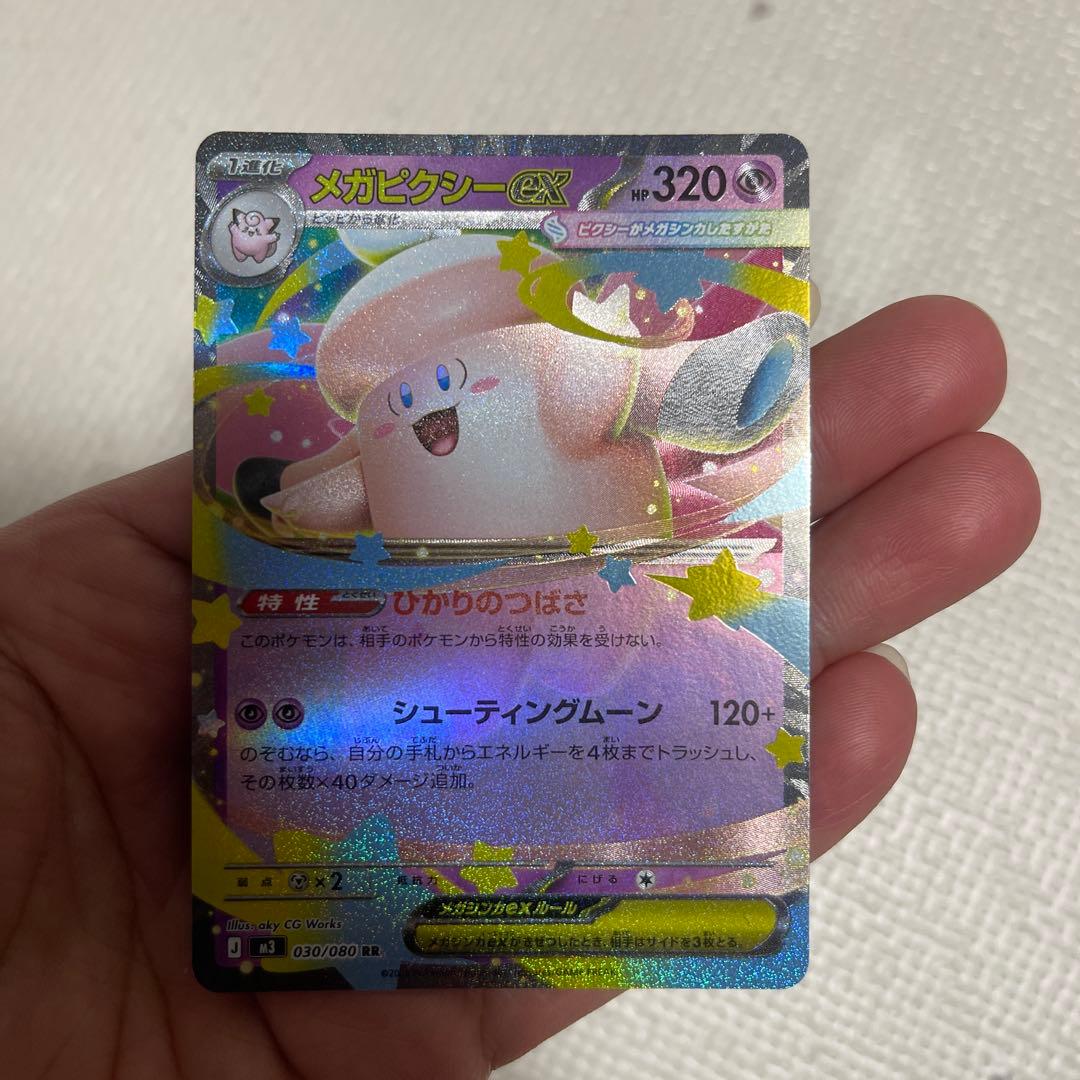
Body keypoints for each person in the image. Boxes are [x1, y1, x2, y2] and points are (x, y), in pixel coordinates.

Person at [0, 296, 1039, 1078]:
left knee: (663, 750)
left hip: (605, 608)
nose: (425, 406)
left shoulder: (543, 357)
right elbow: (328, 496)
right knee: (464, 771)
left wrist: (731, 381)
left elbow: (664, 388)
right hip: (455, 642)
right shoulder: (405, 410)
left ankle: (695, 852)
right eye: (401, 388)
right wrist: (274, 503)